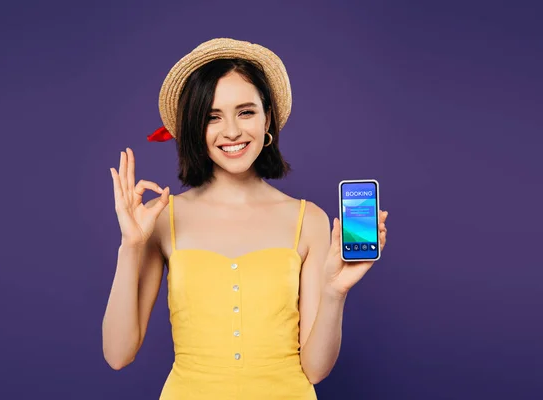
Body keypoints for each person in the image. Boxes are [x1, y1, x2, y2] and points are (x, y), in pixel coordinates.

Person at [102, 38, 389, 399]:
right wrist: (130, 246)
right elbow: (117, 354)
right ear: (194, 127)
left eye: (246, 112)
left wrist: (335, 293)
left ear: (267, 117)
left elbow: (315, 369)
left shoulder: (309, 220)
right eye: (212, 116)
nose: (233, 131)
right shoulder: (162, 219)